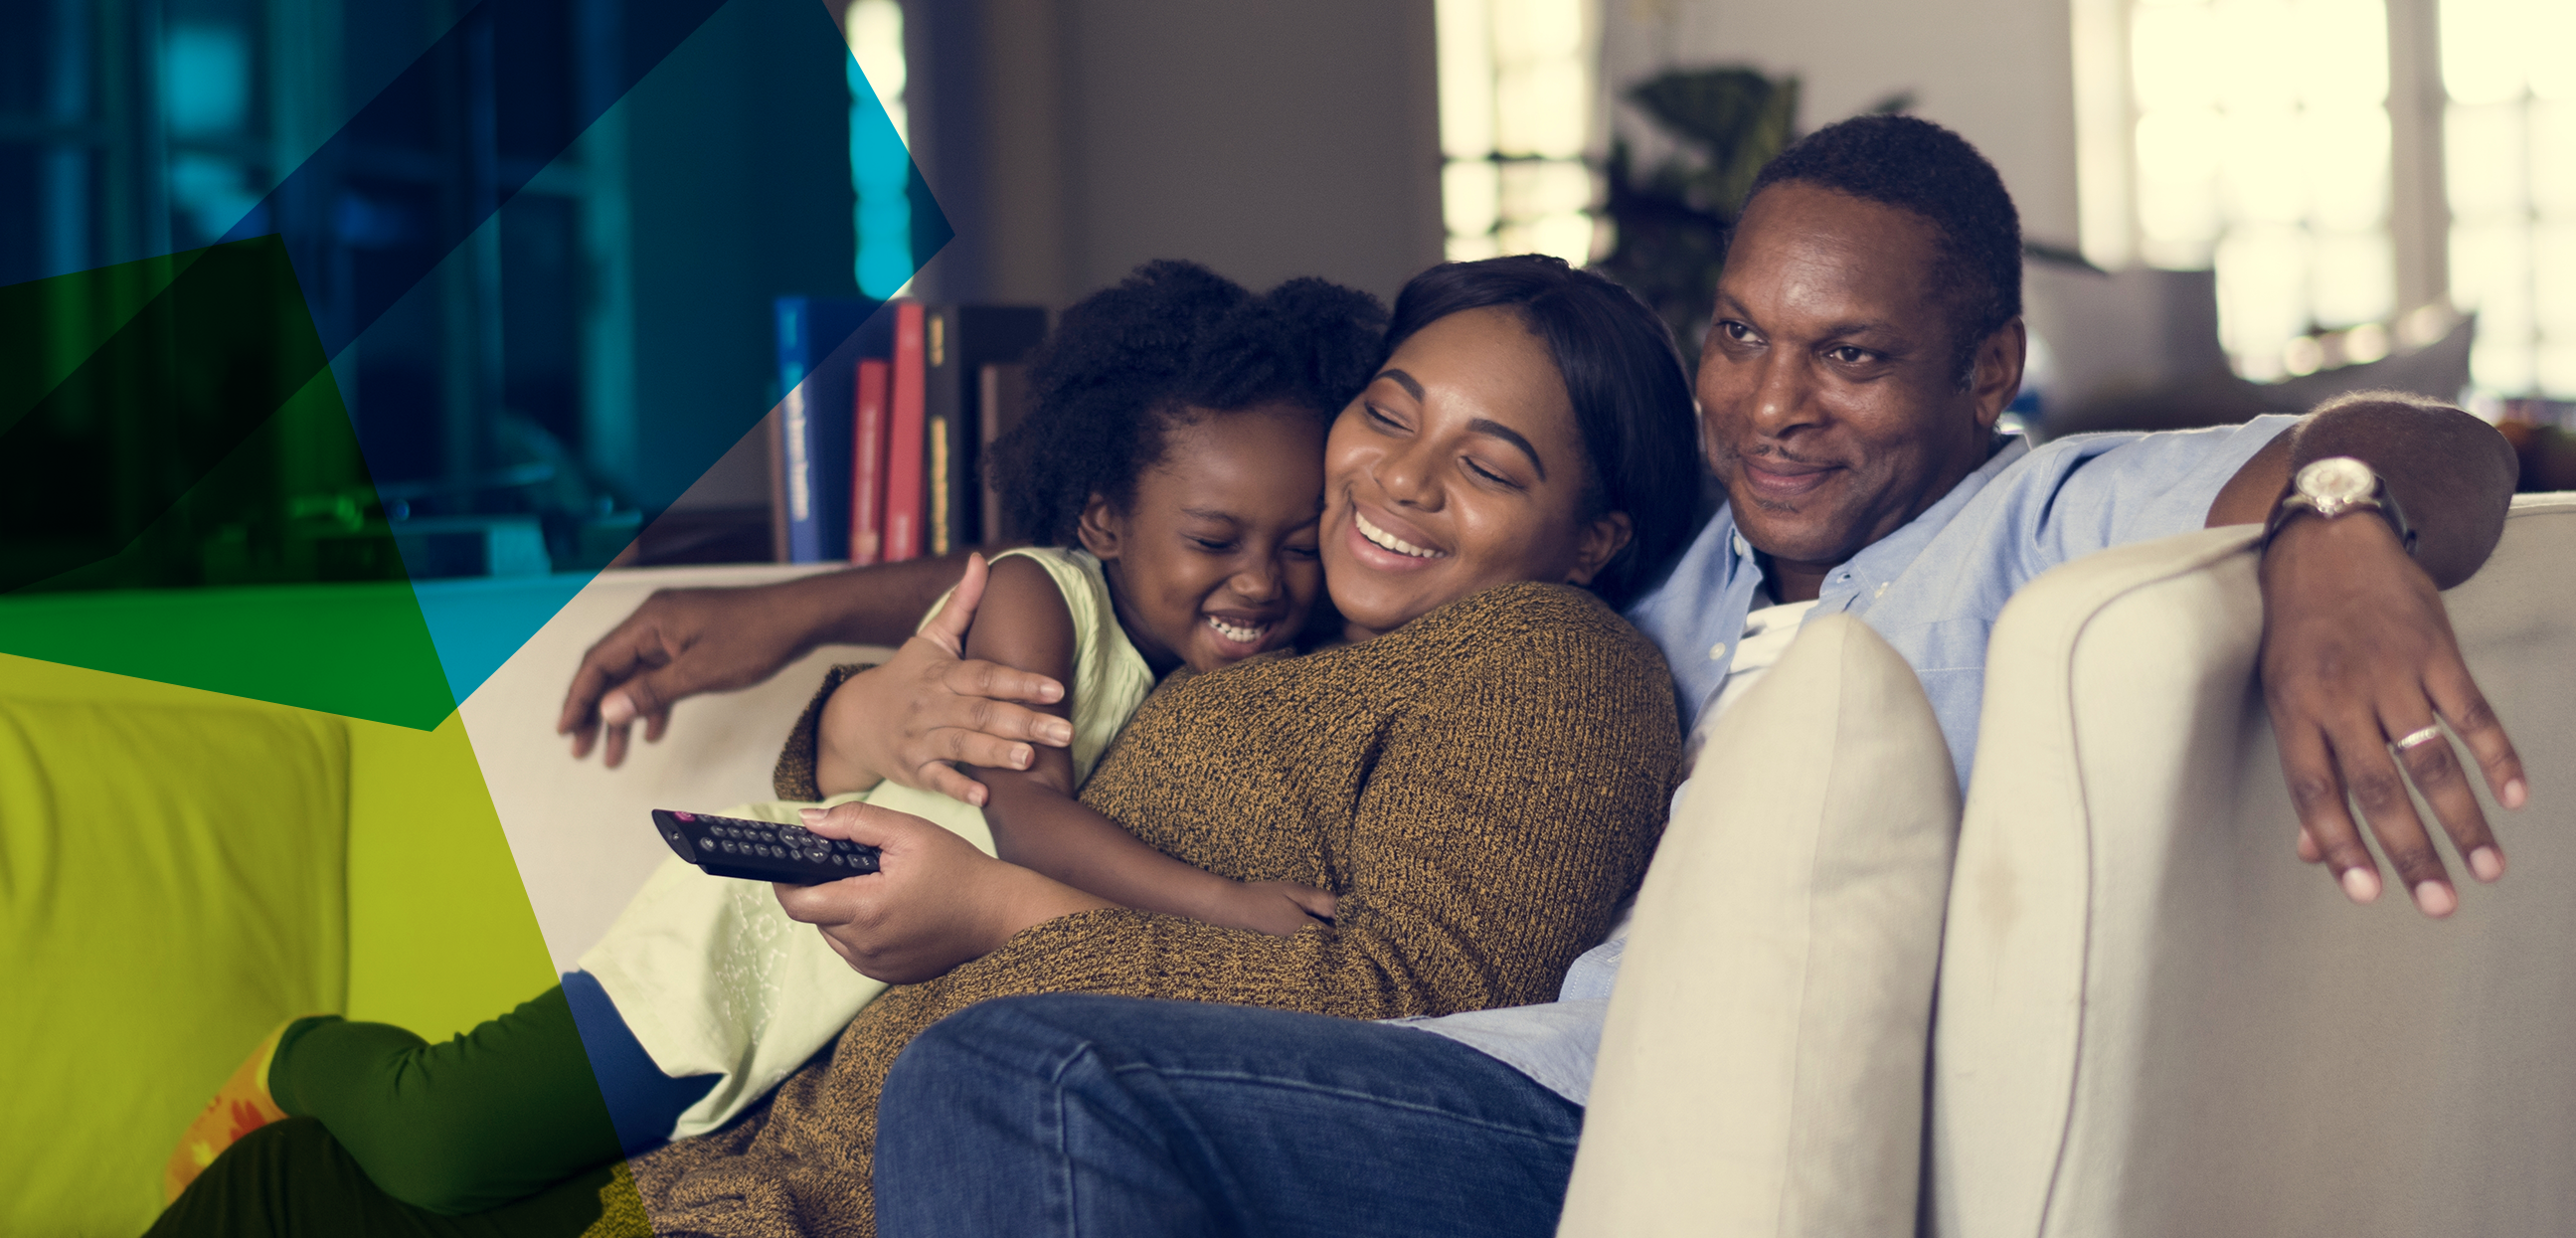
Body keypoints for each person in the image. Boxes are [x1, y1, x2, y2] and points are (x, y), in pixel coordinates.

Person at [559, 116, 2527, 1237]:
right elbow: (1232, 565)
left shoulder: (2039, 516)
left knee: (1023, 1065)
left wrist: (2341, 523)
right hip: (1468, 1070)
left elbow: (2452, 437)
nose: (1774, 399)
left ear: (1985, 370)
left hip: (1610, 1115)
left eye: (1849, 355)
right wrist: (818, 614)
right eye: (1743, 337)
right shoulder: (1653, 558)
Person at [146, 263, 1389, 1228]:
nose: (1262, 581)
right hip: (717, 973)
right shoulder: (1041, 599)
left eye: (1297, 543)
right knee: (441, 1148)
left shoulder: (1230, 665)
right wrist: (1224, 908)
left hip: (807, 1036)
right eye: (1216, 538)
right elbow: (1030, 813)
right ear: (1108, 516)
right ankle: (295, 1059)